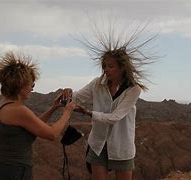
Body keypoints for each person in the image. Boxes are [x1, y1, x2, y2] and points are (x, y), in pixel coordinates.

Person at [64, 28, 155, 180]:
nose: (106, 70)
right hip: (98, 143)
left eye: (111, 66)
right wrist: (68, 92)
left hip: (121, 145)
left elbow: (115, 117)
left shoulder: (133, 90)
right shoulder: (97, 84)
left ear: (122, 67)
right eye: (104, 66)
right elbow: (77, 98)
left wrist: (89, 113)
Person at [0, 51, 75, 180]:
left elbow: (33, 126)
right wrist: (67, 112)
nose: (32, 88)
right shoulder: (17, 110)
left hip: (4, 169)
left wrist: (54, 108)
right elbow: (51, 134)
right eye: (31, 84)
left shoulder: (3, 105)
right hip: (15, 172)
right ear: (20, 85)